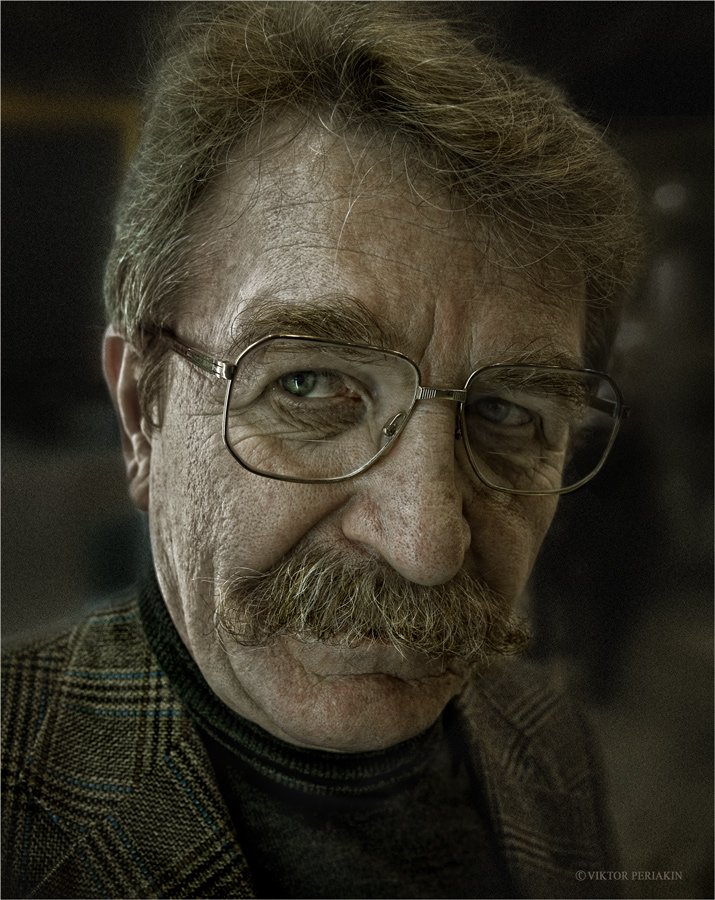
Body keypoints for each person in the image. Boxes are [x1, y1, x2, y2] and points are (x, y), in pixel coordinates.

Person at [2, 3, 643, 897]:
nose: (425, 546)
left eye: (504, 412)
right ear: (144, 410)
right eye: (307, 385)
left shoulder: (549, 740)